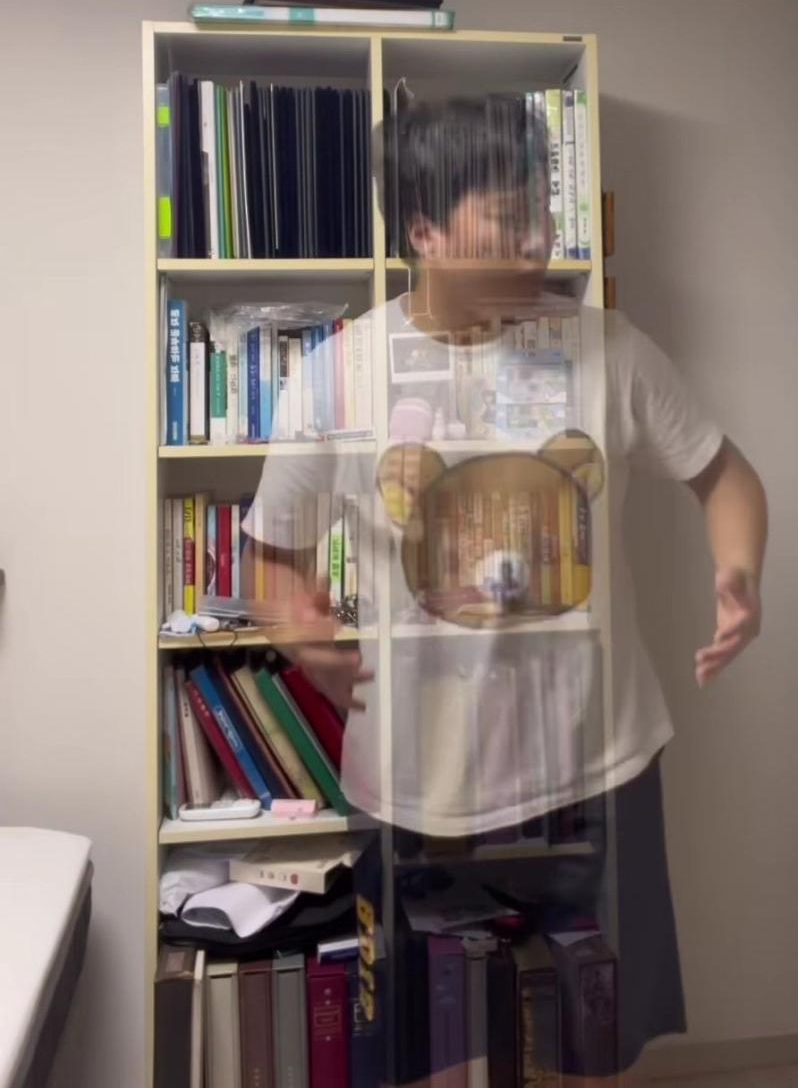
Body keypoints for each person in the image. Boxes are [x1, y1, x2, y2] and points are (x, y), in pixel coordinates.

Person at [244, 98, 767, 1080]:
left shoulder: (608, 347)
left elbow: (724, 474)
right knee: (435, 1052)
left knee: (590, 1045)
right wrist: (297, 623)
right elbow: (273, 553)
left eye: (543, 214)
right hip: (418, 782)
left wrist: (738, 571)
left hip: (597, 769)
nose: (539, 243)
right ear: (425, 230)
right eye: (509, 219)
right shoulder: (338, 374)